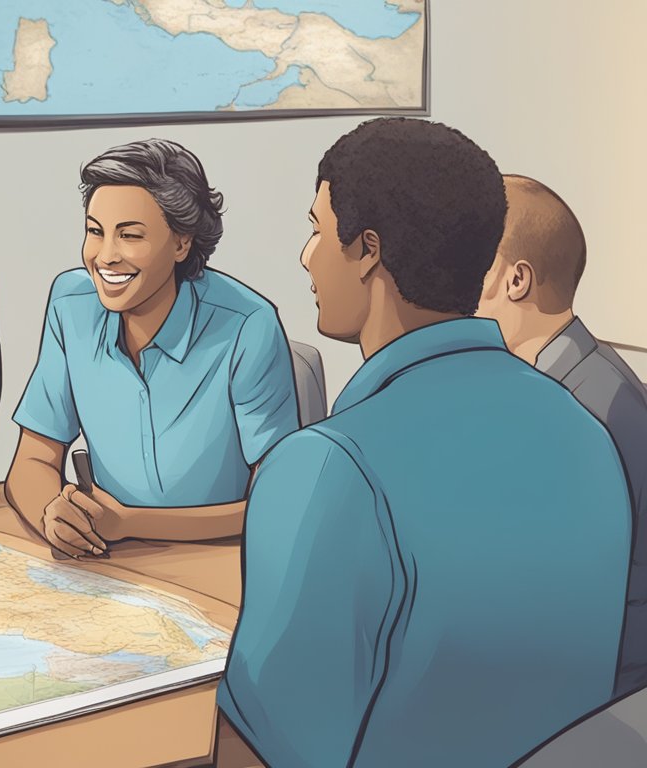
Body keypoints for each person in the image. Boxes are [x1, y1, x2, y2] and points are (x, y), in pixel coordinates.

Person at [216, 118, 631, 767]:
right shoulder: (586, 435)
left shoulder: (327, 466)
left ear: (369, 250)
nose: (306, 256)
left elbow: (263, 749)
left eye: (317, 230)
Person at [4, 139, 299, 557]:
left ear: (181, 243)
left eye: (130, 235)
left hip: (218, 561)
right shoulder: (71, 306)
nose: (105, 257)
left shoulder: (247, 326)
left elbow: (280, 503)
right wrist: (50, 513)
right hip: (111, 561)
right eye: (95, 232)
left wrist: (132, 523)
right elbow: (33, 459)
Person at [476, 174, 647, 698]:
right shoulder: (537, 379)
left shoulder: (593, 406)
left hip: (589, 690)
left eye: (466, 258)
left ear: (516, 281)